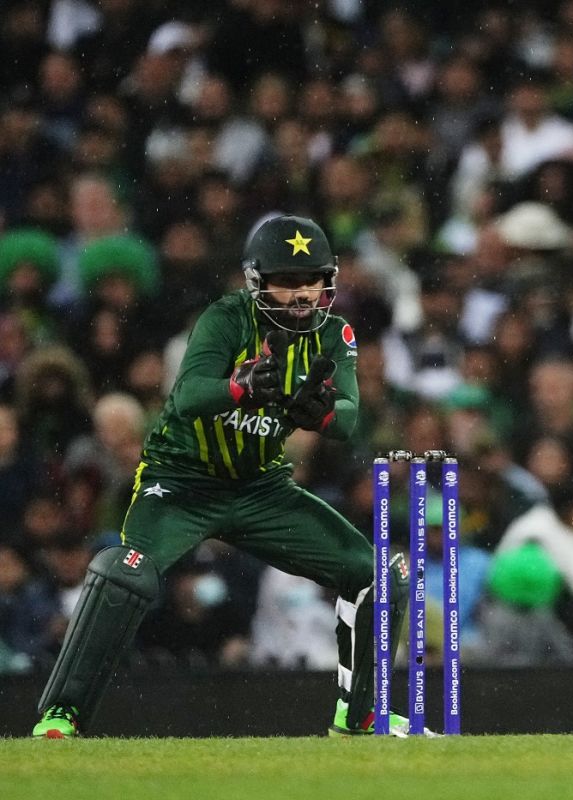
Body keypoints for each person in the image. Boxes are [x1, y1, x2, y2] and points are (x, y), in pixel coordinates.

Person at [31, 215, 409, 738]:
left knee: (377, 577)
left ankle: (360, 714)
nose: (302, 295)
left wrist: (315, 412)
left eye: (312, 281)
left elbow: (346, 420)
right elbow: (186, 398)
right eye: (288, 281)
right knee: (126, 574)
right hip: (182, 480)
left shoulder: (335, 332)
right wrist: (241, 384)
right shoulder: (227, 318)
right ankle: (61, 715)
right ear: (257, 281)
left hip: (261, 488)